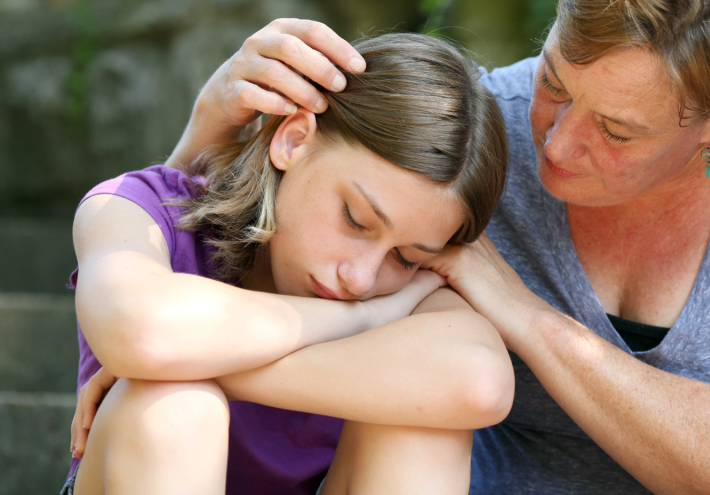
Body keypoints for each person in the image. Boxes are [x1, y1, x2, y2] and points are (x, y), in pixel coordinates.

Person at [85, 0, 710, 494]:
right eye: (554, 82)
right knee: (179, 411)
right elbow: (201, 217)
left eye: (614, 129)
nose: (558, 143)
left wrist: (521, 312)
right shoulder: (475, 138)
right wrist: (205, 132)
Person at [63, 33, 514, 495]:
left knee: (424, 423)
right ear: (294, 139)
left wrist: (202, 362)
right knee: (172, 403)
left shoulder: (409, 289)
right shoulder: (140, 209)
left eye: (406, 256)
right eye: (355, 220)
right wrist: (363, 318)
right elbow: (143, 331)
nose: (360, 279)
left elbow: (480, 384)